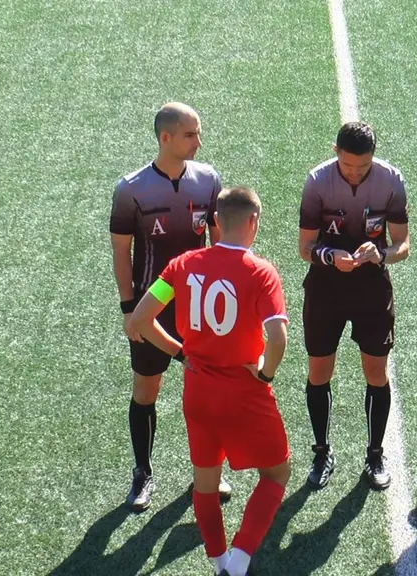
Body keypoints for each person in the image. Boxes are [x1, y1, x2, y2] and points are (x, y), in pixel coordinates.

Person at [129, 186, 290, 576]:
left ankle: (219, 562)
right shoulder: (261, 272)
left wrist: (181, 353)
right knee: (276, 474)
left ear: (215, 220)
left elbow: (141, 320)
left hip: (198, 391)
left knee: (205, 482)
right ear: (253, 220)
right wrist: (265, 372)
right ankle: (239, 561)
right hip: (244, 394)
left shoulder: (182, 265)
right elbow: (278, 338)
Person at [109, 102, 232, 511]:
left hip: (200, 306)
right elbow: (121, 252)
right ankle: (143, 472)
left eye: (198, 133)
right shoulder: (131, 190)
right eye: (190, 135)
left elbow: (219, 241)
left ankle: (210, 471)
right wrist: (129, 309)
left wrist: (226, 294)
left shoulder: (208, 180)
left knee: (210, 390)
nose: (199, 142)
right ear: (166, 138)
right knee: (147, 390)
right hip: (153, 307)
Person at [297, 121, 411, 490]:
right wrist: (331, 256)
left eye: (363, 166)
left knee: (376, 372)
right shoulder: (317, 182)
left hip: (371, 289)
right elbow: (305, 247)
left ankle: (375, 454)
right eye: (348, 165)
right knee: (319, 372)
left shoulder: (391, 181)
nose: (355, 173)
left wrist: (381, 254)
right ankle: (321, 453)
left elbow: (402, 245)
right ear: (336, 152)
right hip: (325, 288)